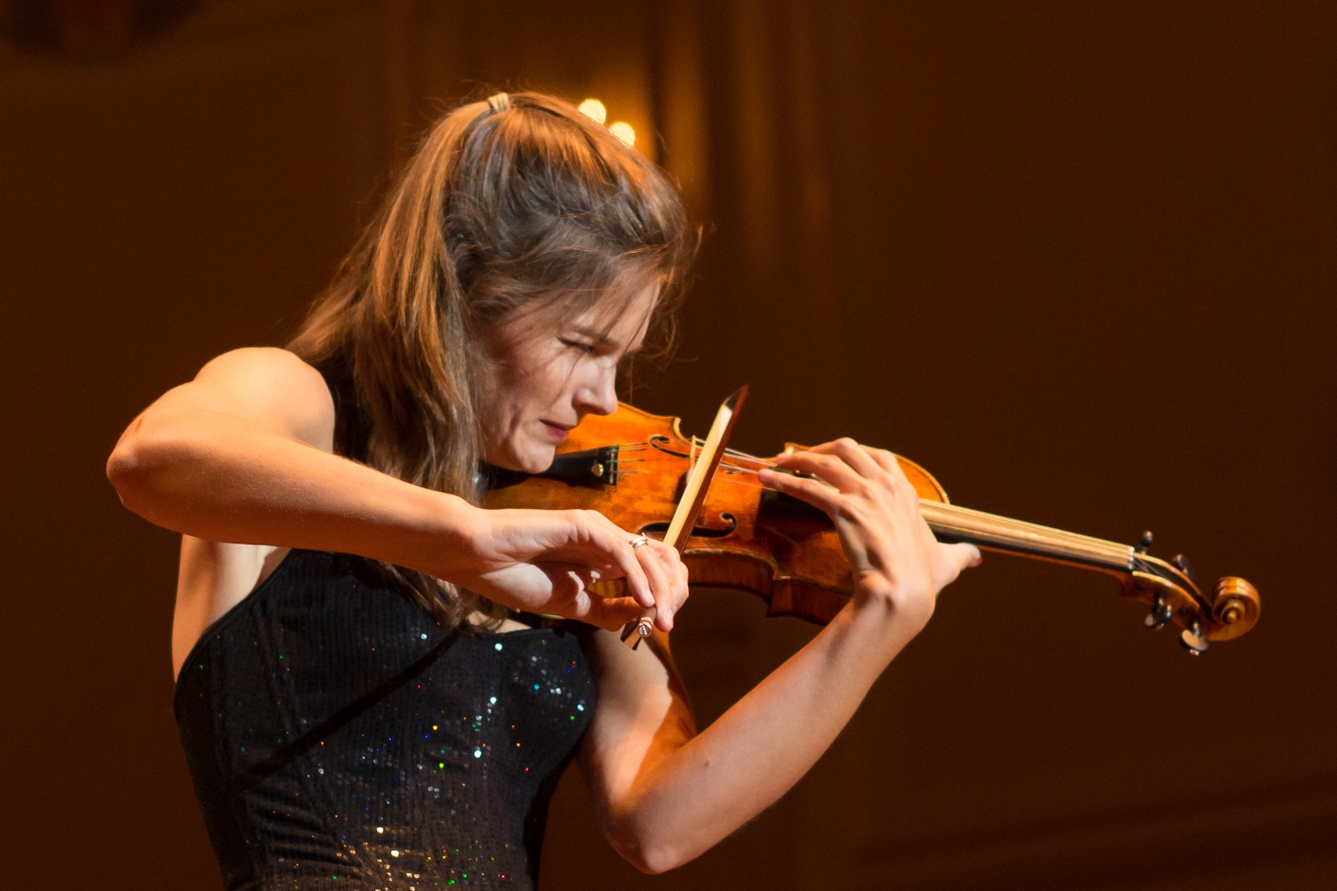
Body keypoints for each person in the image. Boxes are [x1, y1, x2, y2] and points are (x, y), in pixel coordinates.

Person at [107, 91, 980, 890]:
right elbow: (152, 456)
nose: (605, 395)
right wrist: (461, 538)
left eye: (622, 356)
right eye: (580, 344)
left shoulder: (579, 520)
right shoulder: (303, 407)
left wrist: (878, 621)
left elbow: (660, 821)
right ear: (463, 293)